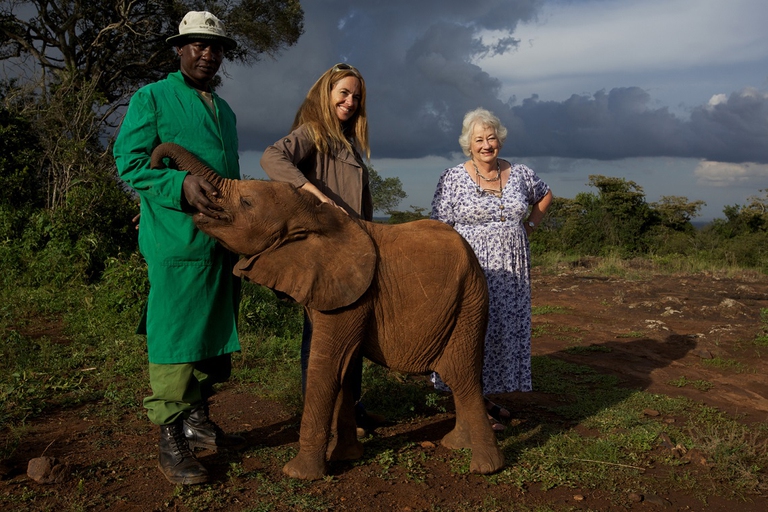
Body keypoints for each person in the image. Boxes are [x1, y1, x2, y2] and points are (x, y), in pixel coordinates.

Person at [113, 11, 244, 485]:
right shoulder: (152, 98)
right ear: (179, 48)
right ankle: (170, 437)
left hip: (220, 244)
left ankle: (197, 419)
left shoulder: (224, 110)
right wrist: (178, 184)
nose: (206, 54)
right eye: (196, 45)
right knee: (174, 336)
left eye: (215, 47)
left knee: (210, 335)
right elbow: (129, 163)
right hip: (176, 241)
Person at [260, 63, 382, 434]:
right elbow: (271, 157)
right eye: (343, 92)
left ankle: (350, 408)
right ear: (326, 93)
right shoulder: (313, 132)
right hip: (325, 250)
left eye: (356, 96)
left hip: (352, 249)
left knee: (353, 331)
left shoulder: (346, 141)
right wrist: (312, 193)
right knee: (321, 336)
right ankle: (320, 418)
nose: (350, 101)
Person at [430, 107, 553, 431]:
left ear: (500, 139)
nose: (487, 144)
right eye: (479, 139)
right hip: (471, 267)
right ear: (469, 145)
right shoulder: (453, 177)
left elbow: (545, 194)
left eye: (491, 137)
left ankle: (481, 399)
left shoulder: (521, 173)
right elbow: (439, 225)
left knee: (499, 333)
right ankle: (468, 407)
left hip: (512, 272)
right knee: (470, 334)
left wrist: (530, 226)